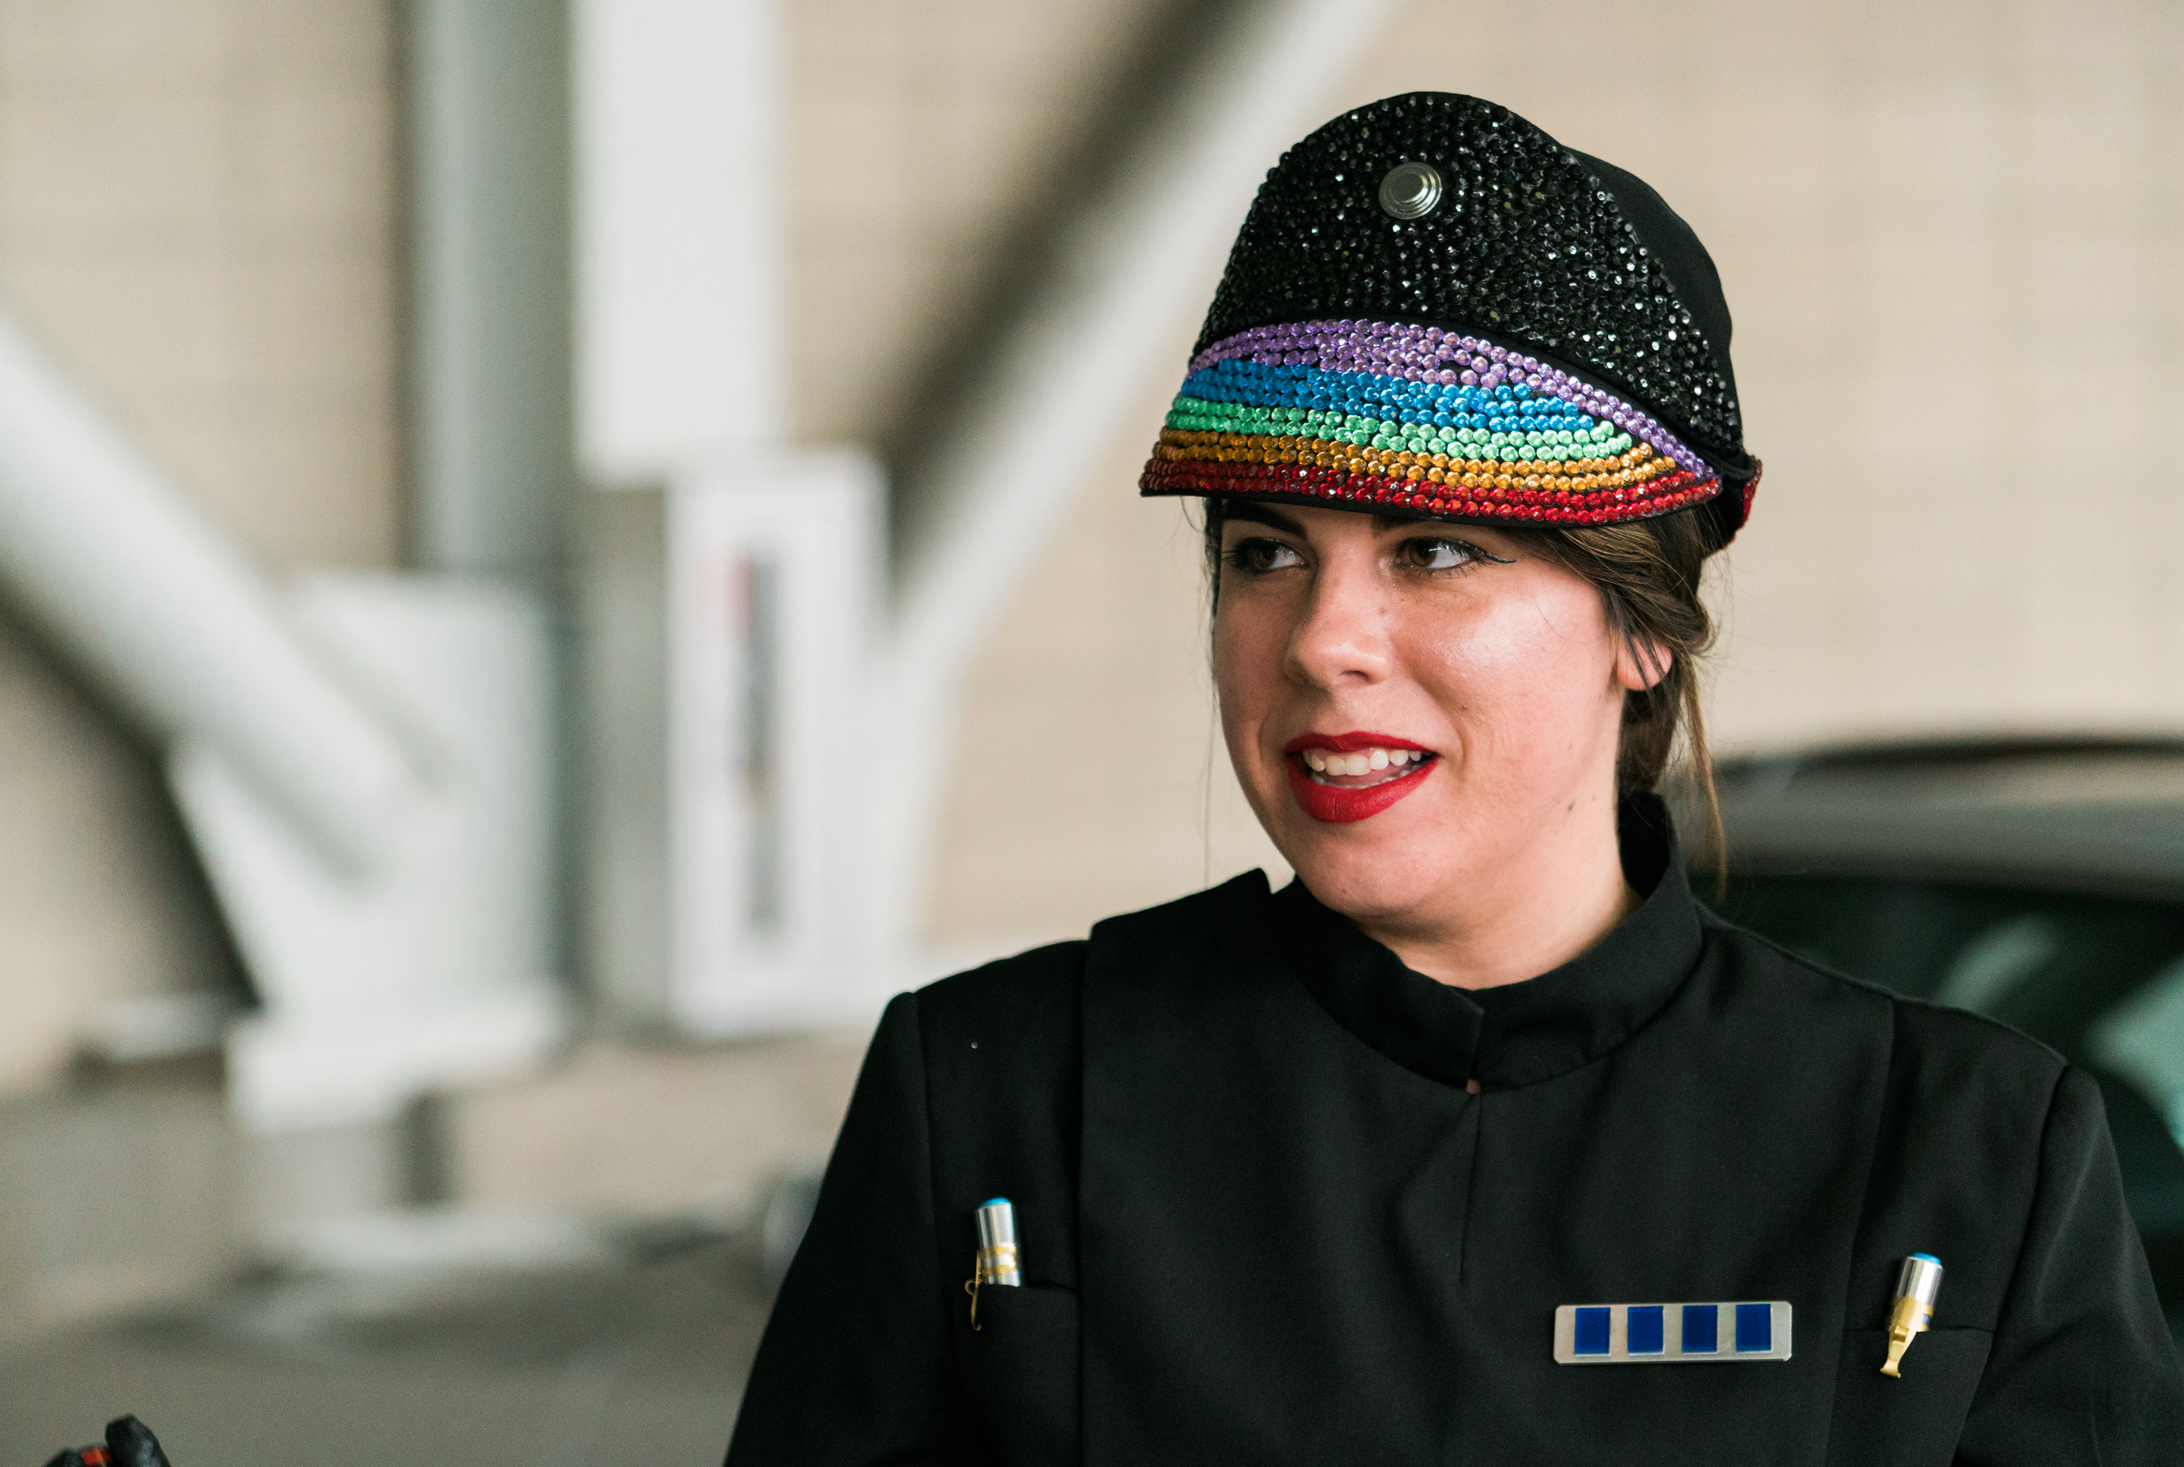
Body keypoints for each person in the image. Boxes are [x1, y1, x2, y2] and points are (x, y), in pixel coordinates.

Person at [725, 92, 2184, 1464]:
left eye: (1435, 550)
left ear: (1641, 626)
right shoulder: (996, 1097)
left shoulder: (1967, 1142)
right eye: (1264, 551)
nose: (1321, 642)